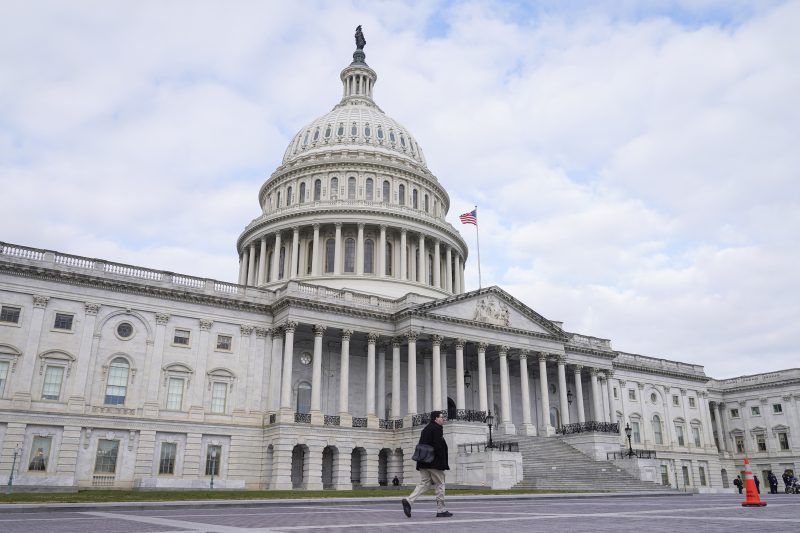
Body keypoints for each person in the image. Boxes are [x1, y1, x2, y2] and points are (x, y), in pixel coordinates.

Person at [402, 410, 451, 518]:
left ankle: (409, 500)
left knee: (424, 484)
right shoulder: (437, 429)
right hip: (434, 463)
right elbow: (438, 446)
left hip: (423, 462)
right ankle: (441, 510)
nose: (443, 419)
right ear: (436, 418)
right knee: (440, 484)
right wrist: (441, 462)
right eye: (441, 417)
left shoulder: (426, 429)